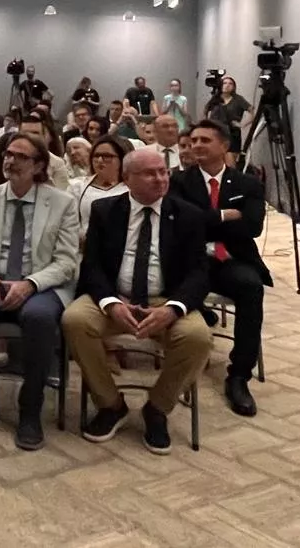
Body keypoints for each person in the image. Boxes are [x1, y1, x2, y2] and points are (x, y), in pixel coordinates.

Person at [62, 150, 213, 455]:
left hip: (165, 299)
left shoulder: (188, 215)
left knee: (197, 337)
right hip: (114, 297)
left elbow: (199, 274)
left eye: (163, 172)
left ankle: (157, 408)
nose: (160, 179)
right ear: (127, 179)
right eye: (149, 173)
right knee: (74, 320)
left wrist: (173, 309)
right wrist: (110, 303)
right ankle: (110, 404)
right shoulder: (106, 211)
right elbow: (91, 266)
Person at [0, 134, 80, 449]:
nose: (10, 160)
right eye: (7, 154)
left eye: (20, 156)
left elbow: (66, 261)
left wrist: (30, 283)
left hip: (39, 284)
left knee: (39, 318)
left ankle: (30, 407)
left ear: (38, 166)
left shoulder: (61, 202)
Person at [169, 120, 268, 416]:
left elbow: (251, 227)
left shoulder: (248, 183)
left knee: (251, 288)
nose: (196, 145)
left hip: (231, 259)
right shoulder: (178, 182)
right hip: (190, 261)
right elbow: (181, 224)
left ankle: (239, 375)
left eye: (205, 140)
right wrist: (225, 215)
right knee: (179, 289)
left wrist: (204, 220)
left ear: (224, 146)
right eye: (194, 140)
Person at [70, 137, 130, 228]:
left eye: (107, 156)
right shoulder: (77, 186)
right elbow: (70, 222)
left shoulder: (132, 188)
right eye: (96, 156)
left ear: (122, 159)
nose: (100, 160)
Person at [205, 76, 253, 161]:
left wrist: (242, 124)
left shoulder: (238, 99)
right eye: (225, 83)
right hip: (216, 132)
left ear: (234, 87)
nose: (227, 85)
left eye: (230, 84)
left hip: (232, 134)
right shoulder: (216, 98)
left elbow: (252, 112)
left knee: (230, 161)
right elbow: (205, 111)